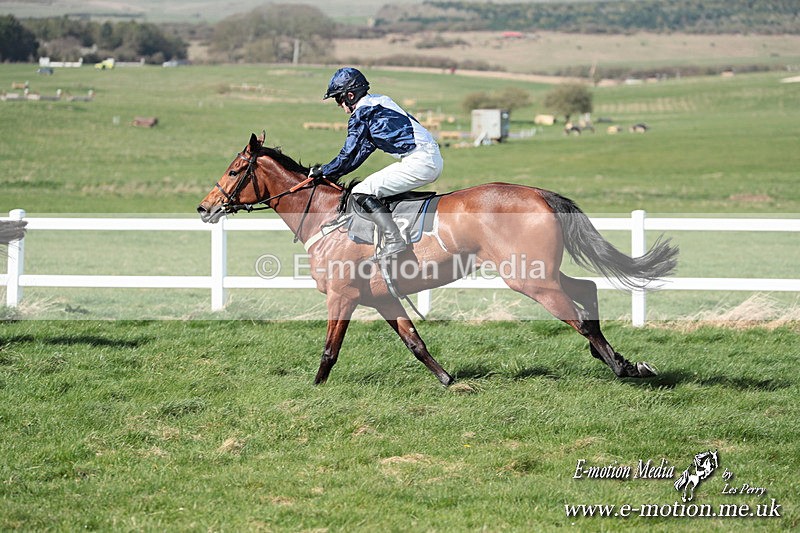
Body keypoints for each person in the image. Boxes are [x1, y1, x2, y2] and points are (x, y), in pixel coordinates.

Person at [311, 67, 443, 259]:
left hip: (421, 161)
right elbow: (360, 153)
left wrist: (323, 170)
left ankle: (394, 240)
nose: (339, 105)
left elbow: (347, 154)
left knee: (360, 192)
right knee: (372, 187)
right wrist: (331, 175)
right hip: (427, 157)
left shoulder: (362, 114)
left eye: (338, 99)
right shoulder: (379, 102)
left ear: (349, 96)